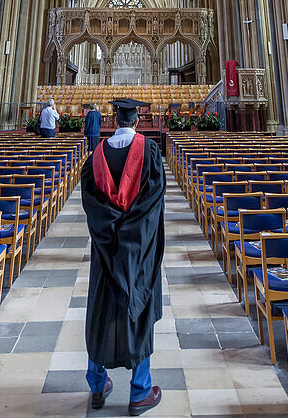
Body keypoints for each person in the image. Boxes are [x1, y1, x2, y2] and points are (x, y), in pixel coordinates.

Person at [81, 97, 165, 415]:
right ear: (137, 120)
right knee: (138, 308)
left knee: (101, 309)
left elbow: (93, 206)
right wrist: (132, 237)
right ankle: (140, 391)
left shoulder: (96, 156)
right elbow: (152, 203)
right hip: (138, 249)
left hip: (105, 250)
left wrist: (111, 234)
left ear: (114, 120)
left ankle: (96, 383)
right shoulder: (150, 151)